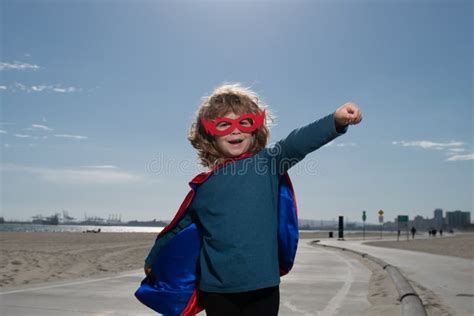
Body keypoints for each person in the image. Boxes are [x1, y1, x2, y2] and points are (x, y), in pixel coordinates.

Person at [142, 83, 362, 315]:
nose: (235, 131)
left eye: (244, 122)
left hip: (262, 286)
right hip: (217, 290)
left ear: (255, 128)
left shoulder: (267, 163)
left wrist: (335, 121)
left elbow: (297, 143)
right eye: (224, 125)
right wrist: (153, 258)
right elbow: (177, 228)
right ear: (209, 135)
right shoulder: (204, 186)